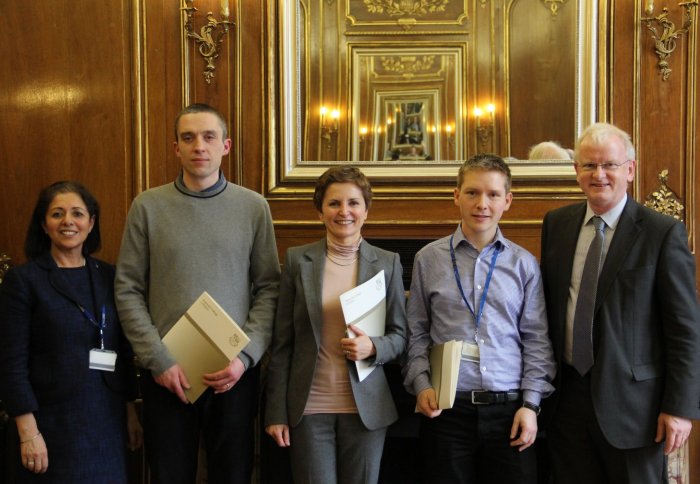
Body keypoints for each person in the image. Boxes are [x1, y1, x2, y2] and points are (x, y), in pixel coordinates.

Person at [114, 103, 280, 484]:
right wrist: (157, 359)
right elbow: (128, 288)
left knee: (234, 475)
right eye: (188, 138)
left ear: (226, 145)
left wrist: (245, 356)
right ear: (176, 148)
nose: (198, 146)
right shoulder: (148, 207)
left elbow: (269, 288)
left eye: (209, 137)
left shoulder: (253, 207)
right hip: (166, 374)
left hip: (233, 374)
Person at [540, 122, 700, 483]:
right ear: (576, 171)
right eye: (589, 165)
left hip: (635, 410)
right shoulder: (557, 224)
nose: (599, 174)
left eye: (609, 165)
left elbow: (684, 330)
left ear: (629, 169)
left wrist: (679, 407)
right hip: (566, 403)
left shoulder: (661, 232)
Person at [403, 154, 556, 484]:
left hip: (510, 411)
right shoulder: (427, 259)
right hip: (447, 410)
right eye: (472, 193)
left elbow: (537, 340)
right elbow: (415, 333)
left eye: (493, 194)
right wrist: (421, 384)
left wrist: (531, 406)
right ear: (456, 195)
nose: (482, 204)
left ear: (508, 200)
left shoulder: (524, 264)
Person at [264, 165, 407, 484]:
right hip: (308, 409)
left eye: (354, 203)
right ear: (320, 212)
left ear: (366, 210)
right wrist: (275, 412)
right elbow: (282, 345)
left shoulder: (388, 263)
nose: (344, 211)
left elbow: (401, 337)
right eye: (334, 203)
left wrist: (374, 347)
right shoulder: (298, 262)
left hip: (367, 411)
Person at [0, 181, 142, 483]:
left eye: (77, 213)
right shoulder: (24, 281)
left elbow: (123, 351)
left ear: (91, 223)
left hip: (106, 422)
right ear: (43, 223)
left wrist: (130, 411)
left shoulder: (109, 276)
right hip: (49, 425)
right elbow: (10, 363)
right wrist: (28, 431)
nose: (68, 221)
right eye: (57, 214)